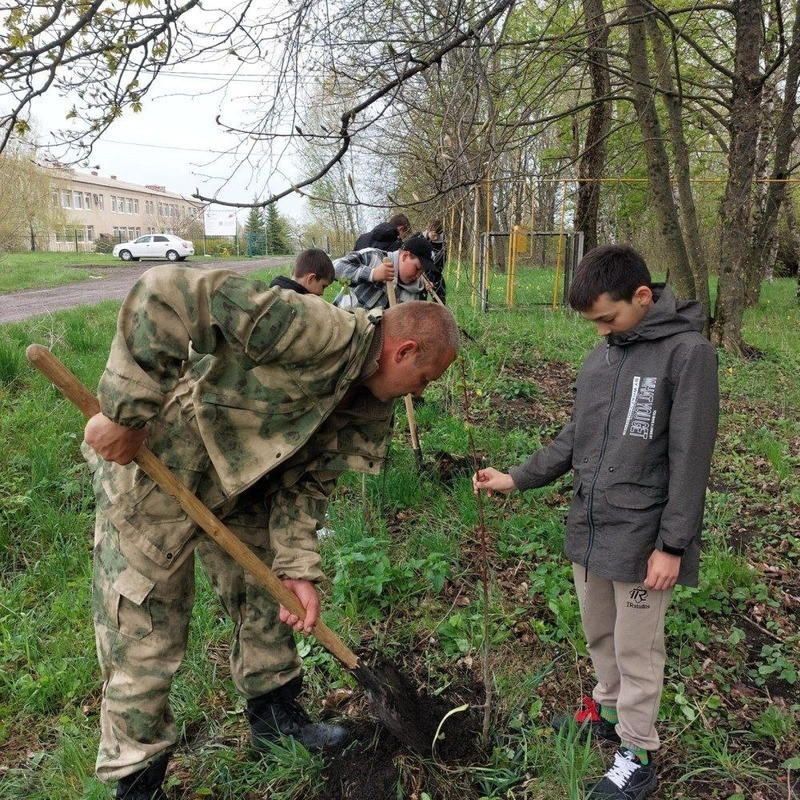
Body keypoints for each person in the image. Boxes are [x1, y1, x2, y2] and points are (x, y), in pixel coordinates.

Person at [81, 264, 460, 800]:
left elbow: (309, 487)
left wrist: (298, 568)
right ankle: (137, 780)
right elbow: (169, 292)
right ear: (402, 352)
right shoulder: (310, 327)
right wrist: (127, 413)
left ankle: (276, 718)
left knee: (268, 604)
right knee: (145, 634)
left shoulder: (369, 406)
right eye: (422, 380)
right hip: (160, 472)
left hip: (246, 488)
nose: (416, 394)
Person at [473, 244, 719, 800]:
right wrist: (516, 477)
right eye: (592, 324)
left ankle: (637, 752)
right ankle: (607, 712)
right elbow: (573, 438)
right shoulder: (602, 355)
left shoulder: (688, 355)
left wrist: (673, 545)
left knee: (638, 648)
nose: (600, 332)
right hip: (590, 525)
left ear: (642, 296)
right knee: (599, 631)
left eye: (606, 319)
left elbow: (691, 457)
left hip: (644, 538)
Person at [332, 236, 434, 310]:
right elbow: (334, 268)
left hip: (371, 338)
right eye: (417, 268)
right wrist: (372, 274)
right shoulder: (373, 257)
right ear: (405, 256)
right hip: (340, 326)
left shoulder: (415, 294)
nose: (417, 276)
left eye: (421, 272)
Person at [268, 248, 335, 296]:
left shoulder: (272, 293)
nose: (322, 293)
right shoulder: (302, 303)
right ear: (311, 278)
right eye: (323, 286)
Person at [417, 218, 447, 304]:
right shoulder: (419, 238)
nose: (436, 237)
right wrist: (424, 278)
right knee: (420, 299)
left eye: (438, 235)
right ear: (428, 230)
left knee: (441, 294)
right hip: (420, 274)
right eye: (434, 235)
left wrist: (432, 278)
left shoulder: (442, 244)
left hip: (435, 273)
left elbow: (442, 262)